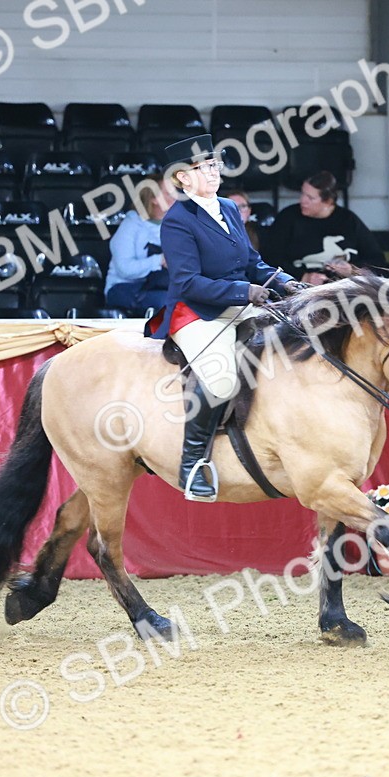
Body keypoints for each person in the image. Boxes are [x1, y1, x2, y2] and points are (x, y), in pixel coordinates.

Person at [150, 134, 303, 502]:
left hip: (238, 304)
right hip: (197, 312)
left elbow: (251, 262)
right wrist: (244, 292)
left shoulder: (229, 208)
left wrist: (283, 280)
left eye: (214, 165)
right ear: (182, 179)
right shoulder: (176, 221)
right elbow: (188, 283)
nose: (213, 172)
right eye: (203, 168)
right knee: (220, 381)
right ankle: (193, 466)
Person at [262, 170, 386, 284]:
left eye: (310, 198)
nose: (303, 201)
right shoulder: (288, 217)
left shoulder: (348, 220)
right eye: (303, 194)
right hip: (299, 285)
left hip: (342, 286)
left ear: (327, 202)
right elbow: (270, 258)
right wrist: (303, 277)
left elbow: (377, 259)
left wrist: (351, 269)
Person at [105, 175, 175, 314]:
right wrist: (160, 260)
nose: (176, 197)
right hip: (123, 288)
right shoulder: (131, 224)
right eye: (169, 193)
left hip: (161, 286)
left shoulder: (176, 226)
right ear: (154, 199)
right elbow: (124, 269)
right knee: (167, 302)